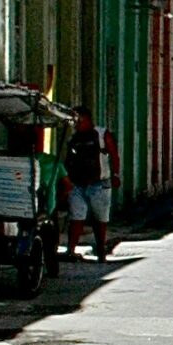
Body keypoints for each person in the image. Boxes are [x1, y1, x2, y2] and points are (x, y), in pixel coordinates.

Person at [63, 104, 122, 259]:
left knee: (100, 219)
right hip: (77, 184)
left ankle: (101, 250)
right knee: (76, 216)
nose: (76, 124)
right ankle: (71, 250)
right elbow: (68, 161)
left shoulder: (102, 134)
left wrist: (116, 175)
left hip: (100, 183)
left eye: (79, 120)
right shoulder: (73, 138)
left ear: (88, 119)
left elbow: (114, 155)